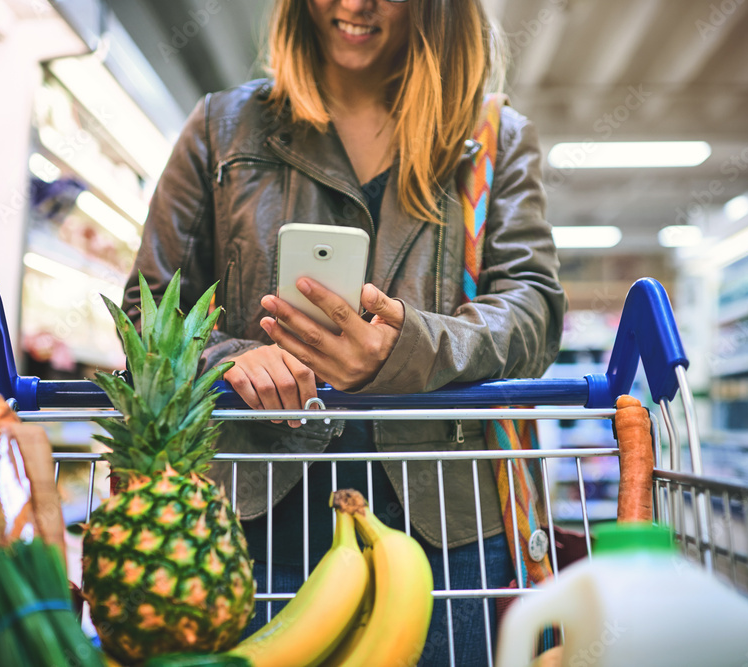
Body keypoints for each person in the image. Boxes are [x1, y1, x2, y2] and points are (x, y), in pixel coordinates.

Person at [123, 0, 565, 663]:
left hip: (444, 530)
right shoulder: (223, 128)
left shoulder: (492, 138)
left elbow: (533, 311)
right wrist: (226, 358)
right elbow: (148, 311)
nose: (353, 4)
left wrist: (408, 346)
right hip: (251, 525)